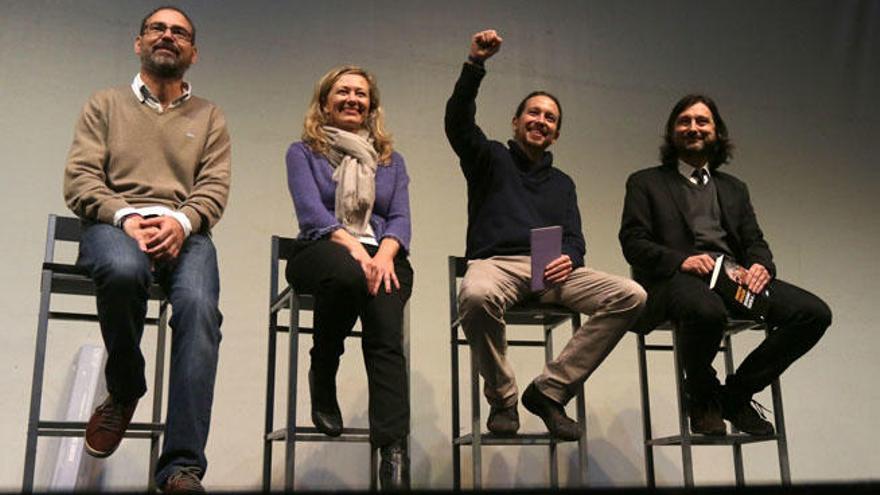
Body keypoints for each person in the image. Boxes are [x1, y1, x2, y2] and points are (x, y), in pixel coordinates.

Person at [445, 30, 646, 440]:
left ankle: (549, 390)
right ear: (516, 122)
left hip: (551, 273)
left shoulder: (563, 183)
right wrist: (474, 65)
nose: (540, 120)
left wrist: (568, 258)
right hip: (497, 264)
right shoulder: (490, 159)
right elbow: (457, 121)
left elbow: (575, 239)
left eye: (550, 118)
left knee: (631, 295)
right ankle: (503, 399)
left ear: (555, 133)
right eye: (533, 113)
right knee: (477, 294)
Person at [63, 5, 230, 492]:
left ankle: (181, 468)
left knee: (200, 310)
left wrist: (181, 221)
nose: (167, 36)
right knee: (121, 268)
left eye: (179, 32)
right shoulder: (105, 104)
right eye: (157, 28)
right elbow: (80, 179)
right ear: (139, 43)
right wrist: (128, 217)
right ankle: (126, 385)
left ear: (193, 53)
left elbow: (214, 188)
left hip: (187, 232)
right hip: (114, 222)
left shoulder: (211, 116)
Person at [619, 94, 832, 436]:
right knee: (707, 310)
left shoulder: (734, 188)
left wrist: (761, 265)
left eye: (702, 121)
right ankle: (702, 397)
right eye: (684, 121)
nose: (693, 127)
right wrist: (682, 260)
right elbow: (634, 242)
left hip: (732, 279)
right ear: (672, 132)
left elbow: (754, 241)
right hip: (676, 281)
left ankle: (735, 395)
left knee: (813, 313)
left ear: (717, 132)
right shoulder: (645, 182)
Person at [285, 65, 413, 490]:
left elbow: (399, 218)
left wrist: (386, 254)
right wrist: (359, 250)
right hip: (321, 249)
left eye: (361, 94)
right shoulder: (303, 153)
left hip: (384, 254)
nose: (352, 99)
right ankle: (323, 371)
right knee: (346, 274)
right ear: (325, 103)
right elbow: (311, 214)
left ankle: (392, 448)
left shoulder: (391, 162)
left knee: (386, 334)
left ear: (371, 106)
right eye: (343, 92)